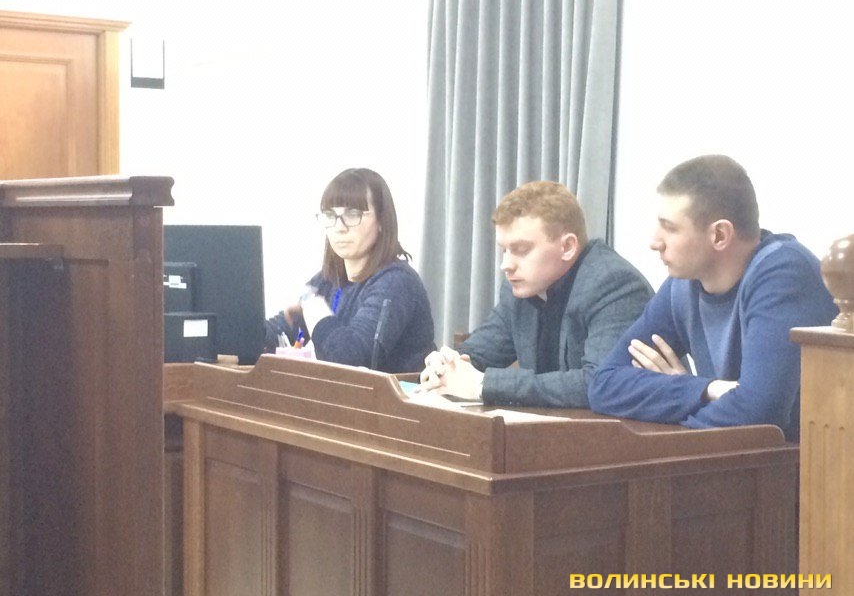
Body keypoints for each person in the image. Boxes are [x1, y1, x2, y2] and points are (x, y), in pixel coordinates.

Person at [588, 154, 837, 441]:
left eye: (670, 228)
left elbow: (759, 413)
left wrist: (673, 402)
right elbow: (603, 385)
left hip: (812, 463)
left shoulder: (784, 275)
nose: (654, 242)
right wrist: (705, 389)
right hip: (735, 455)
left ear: (719, 235)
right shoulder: (682, 285)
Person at [419, 181, 653, 406]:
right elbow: (481, 351)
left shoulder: (613, 284)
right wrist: (446, 365)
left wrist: (482, 384)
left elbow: (598, 383)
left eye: (521, 250)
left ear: (567, 247)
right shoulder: (521, 288)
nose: (506, 265)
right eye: (504, 250)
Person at [265, 168, 435, 373]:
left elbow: (349, 360)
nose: (340, 227)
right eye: (330, 215)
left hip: (398, 394)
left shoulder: (397, 282)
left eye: (353, 214)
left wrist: (313, 308)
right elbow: (280, 333)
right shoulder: (328, 281)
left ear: (382, 221)